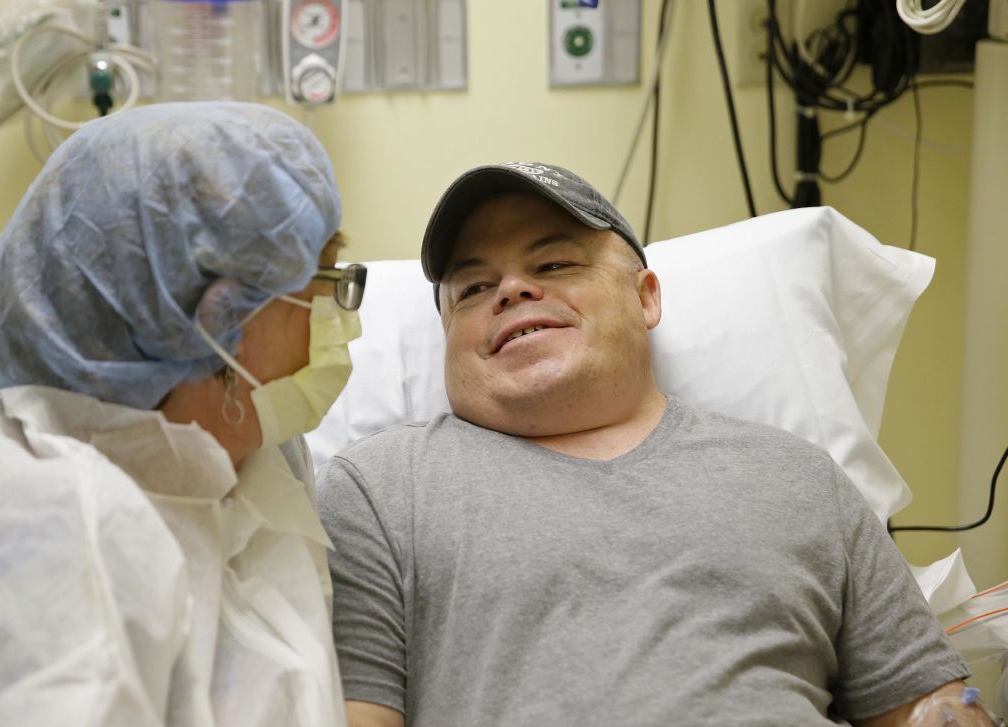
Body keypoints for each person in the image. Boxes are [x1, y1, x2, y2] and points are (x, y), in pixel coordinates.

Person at [316, 162, 989, 726]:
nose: (513, 289)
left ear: (646, 297)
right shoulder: (381, 490)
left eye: (553, 262)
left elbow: (924, 706)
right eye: (474, 288)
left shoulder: (798, 478)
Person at [0, 103, 366, 726]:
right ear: (222, 318)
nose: (340, 312)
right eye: (325, 278)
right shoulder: (48, 528)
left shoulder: (254, 458)